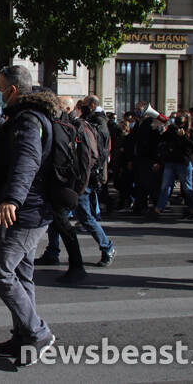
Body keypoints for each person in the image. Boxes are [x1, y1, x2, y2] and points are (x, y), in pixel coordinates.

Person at [0, 65, 56, 367]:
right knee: (22, 274)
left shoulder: (27, 120)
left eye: (1, 89)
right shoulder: (31, 116)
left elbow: (27, 160)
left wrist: (12, 199)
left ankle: (38, 333)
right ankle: (22, 337)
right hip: (33, 209)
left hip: (25, 212)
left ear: (13, 90)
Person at [33, 96, 89, 284]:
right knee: (58, 223)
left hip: (55, 184)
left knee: (62, 224)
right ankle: (53, 253)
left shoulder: (56, 127)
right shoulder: (68, 127)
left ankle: (77, 265)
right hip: (63, 183)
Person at [75, 96, 116, 266]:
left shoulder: (96, 124)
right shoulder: (96, 122)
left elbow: (95, 152)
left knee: (86, 215)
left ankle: (107, 246)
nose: (81, 109)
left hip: (88, 175)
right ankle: (53, 250)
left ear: (91, 106)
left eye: (83, 106)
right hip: (90, 174)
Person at [153, 113, 193, 218]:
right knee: (165, 186)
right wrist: (161, 130)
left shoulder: (191, 131)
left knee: (187, 187)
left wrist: (184, 137)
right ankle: (159, 208)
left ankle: (192, 208)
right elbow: (162, 140)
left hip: (183, 162)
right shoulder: (172, 130)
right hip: (171, 161)